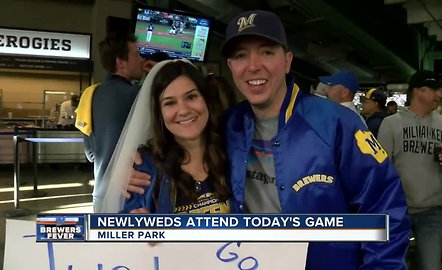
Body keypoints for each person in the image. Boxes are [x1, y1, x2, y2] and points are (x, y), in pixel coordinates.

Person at [128, 10, 411, 269]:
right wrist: (140, 172)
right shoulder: (228, 127)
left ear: (287, 61)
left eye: (266, 52)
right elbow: (184, 154)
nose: (253, 66)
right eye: (240, 56)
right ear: (230, 66)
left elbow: (385, 211)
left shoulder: (337, 124)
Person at [377, 70, 442, 270]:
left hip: (433, 210)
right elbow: (380, 168)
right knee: (392, 265)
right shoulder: (391, 124)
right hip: (397, 210)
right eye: (435, 90)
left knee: (431, 266)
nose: (439, 95)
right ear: (418, 91)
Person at [119, 60, 230, 214]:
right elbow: (125, 221)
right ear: (160, 114)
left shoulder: (232, 152)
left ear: (206, 100)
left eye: (191, 97)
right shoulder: (144, 167)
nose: (183, 110)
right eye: (170, 103)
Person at [84, 33, 145, 212]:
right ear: (121, 63)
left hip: (101, 192)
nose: (142, 60)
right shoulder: (137, 96)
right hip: (130, 195)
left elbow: (90, 154)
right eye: (137, 55)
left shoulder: (90, 94)